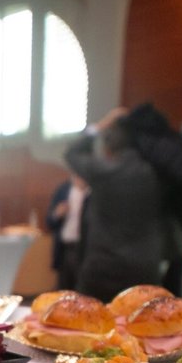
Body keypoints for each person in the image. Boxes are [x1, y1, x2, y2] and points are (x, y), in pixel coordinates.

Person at [64, 107, 165, 302]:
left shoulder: (101, 170)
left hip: (102, 266)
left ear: (109, 145)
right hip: (145, 268)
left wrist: (100, 125)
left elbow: (72, 152)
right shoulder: (156, 173)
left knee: (90, 317)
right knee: (142, 318)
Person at [45, 174, 87, 291]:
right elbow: (49, 222)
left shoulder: (93, 193)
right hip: (65, 249)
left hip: (86, 251)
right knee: (64, 290)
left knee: (84, 291)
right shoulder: (63, 190)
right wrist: (57, 214)